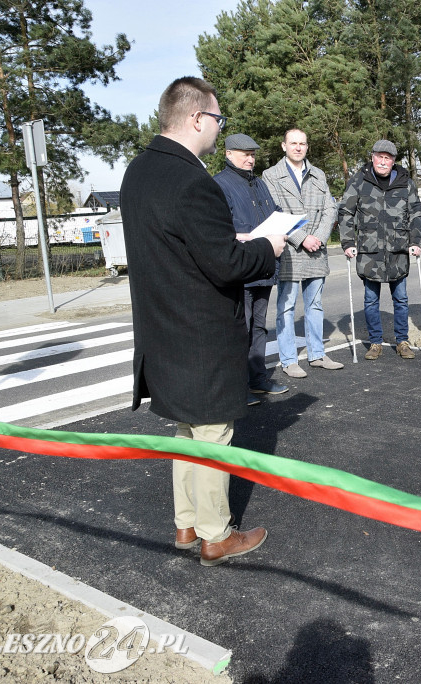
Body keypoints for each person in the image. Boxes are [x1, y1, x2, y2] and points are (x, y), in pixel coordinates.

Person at [122, 76, 285, 566]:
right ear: (196, 118)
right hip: (200, 333)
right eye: (218, 117)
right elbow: (227, 267)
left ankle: (187, 523)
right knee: (213, 433)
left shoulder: (139, 171)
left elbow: (179, 243)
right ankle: (216, 535)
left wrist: (229, 240)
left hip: (162, 329)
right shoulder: (194, 181)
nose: (219, 126)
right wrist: (266, 247)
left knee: (187, 431)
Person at [261, 128, 343, 379]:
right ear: (283, 146)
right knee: (286, 307)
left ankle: (317, 354)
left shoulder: (318, 174)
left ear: (307, 147)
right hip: (289, 250)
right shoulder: (271, 175)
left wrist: (318, 237)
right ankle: (289, 359)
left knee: (315, 304)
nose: (298, 147)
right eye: (293, 143)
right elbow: (273, 212)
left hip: (316, 250)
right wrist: (302, 238)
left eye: (302, 143)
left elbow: (330, 209)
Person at [212, 133, 289, 401]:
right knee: (239, 330)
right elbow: (219, 228)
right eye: (245, 154)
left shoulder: (259, 184)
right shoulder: (219, 184)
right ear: (228, 154)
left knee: (258, 327)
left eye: (253, 154)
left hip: (263, 266)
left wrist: (285, 225)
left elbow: (272, 213)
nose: (250, 159)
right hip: (241, 267)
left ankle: (257, 379)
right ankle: (237, 387)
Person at [339, 139, 421, 361]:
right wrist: (348, 243)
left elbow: (415, 213)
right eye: (379, 157)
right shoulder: (359, 180)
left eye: (388, 158)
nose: (383, 162)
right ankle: (375, 342)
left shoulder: (405, 182)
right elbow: (346, 212)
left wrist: (416, 241)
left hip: (398, 251)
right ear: (372, 157)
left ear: (393, 161)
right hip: (370, 252)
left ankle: (402, 341)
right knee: (370, 300)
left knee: (401, 299)